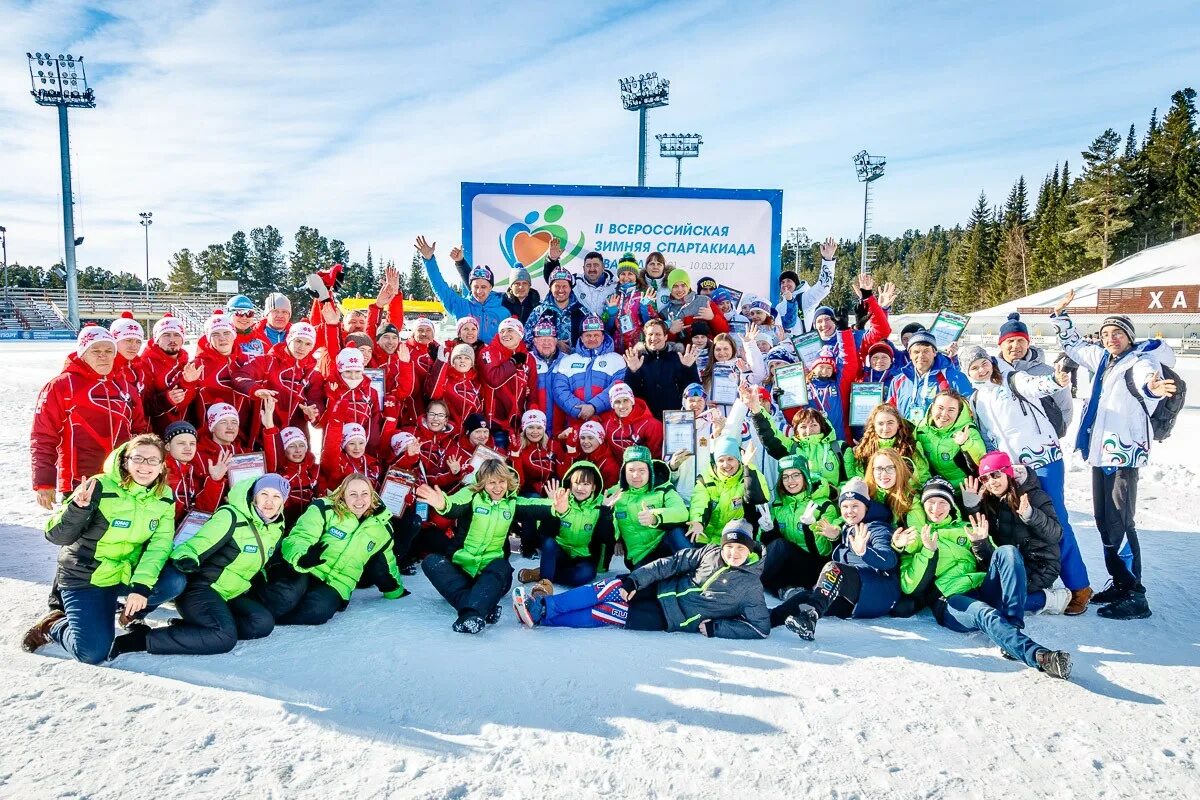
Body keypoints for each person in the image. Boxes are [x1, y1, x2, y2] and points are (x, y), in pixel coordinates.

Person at [1052, 292, 1178, 619]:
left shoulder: (1139, 360)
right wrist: (1061, 317)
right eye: (1106, 334)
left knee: (1121, 521)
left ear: (1129, 337)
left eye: (1117, 333)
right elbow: (1076, 347)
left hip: (1123, 455)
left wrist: (1153, 387)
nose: (1111, 338)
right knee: (1104, 522)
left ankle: (1136, 594)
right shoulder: (1106, 360)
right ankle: (1120, 582)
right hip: (1101, 453)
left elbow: (1146, 379)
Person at [21, 435, 187, 664]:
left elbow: (160, 546)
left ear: (161, 466)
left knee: (174, 580)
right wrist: (78, 509)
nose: (144, 466)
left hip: (124, 572)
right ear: (125, 461)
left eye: (152, 460)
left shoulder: (164, 496)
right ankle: (53, 625)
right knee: (92, 653)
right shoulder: (98, 486)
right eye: (138, 458)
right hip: (86, 575)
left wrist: (140, 588)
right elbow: (56, 535)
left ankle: (132, 613)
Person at [893, 478, 1072, 679]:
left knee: (1008, 552)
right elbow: (910, 586)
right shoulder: (917, 537)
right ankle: (1039, 656)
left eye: (943, 502)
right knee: (986, 613)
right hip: (951, 599)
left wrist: (981, 544)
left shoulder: (965, 527)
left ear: (951, 504)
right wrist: (928, 550)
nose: (936, 508)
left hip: (981, 586)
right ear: (923, 505)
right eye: (931, 503)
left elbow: (997, 562)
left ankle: (1012, 626)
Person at [961, 344, 1092, 614]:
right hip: (1014, 470)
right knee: (1026, 520)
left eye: (984, 363)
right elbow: (988, 439)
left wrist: (1055, 380)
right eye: (974, 367)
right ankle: (1040, 576)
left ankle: (1079, 586)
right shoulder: (976, 399)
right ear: (967, 372)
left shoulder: (1011, 380)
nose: (981, 369)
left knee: (1056, 518)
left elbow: (1035, 385)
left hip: (1044, 460)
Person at [116, 475, 290, 656]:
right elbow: (196, 544)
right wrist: (187, 557)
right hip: (201, 589)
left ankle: (193, 628)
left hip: (229, 593)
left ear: (283, 501)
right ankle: (141, 640)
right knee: (223, 637)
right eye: (264, 494)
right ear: (254, 495)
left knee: (262, 623)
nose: (269, 501)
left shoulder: (275, 527)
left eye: (277, 496)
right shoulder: (231, 517)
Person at [513, 519, 769, 640]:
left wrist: (718, 628)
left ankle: (541, 614)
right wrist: (636, 580)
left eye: (740, 549)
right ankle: (544, 608)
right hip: (660, 588)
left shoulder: (751, 586)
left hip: (670, 618)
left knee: (608, 612)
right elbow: (672, 562)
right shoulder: (711, 551)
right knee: (611, 586)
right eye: (730, 547)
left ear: (750, 550)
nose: (733, 553)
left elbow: (760, 627)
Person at [416, 460, 554, 634]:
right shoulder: (472, 495)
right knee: (431, 562)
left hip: (492, 576)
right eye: (492, 482)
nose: (498, 487)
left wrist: (555, 506)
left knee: (502, 565)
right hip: (463, 570)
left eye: (502, 482)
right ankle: (483, 606)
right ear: (483, 483)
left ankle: (471, 614)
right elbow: (455, 505)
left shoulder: (511, 502)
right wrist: (443, 503)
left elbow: (534, 506)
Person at [31, 326, 148, 508]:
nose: (103, 356)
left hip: (122, 479)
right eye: (96, 351)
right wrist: (44, 482)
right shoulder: (62, 386)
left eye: (109, 351)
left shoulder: (125, 386)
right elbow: (43, 436)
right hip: (80, 480)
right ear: (83, 353)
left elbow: (140, 431)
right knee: (82, 535)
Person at [771, 477, 900, 639]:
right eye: (845, 506)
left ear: (866, 506)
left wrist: (864, 552)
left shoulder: (878, 528)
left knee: (833, 568)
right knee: (805, 597)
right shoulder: (849, 528)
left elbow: (889, 561)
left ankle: (810, 617)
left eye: (855, 505)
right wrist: (830, 535)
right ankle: (768, 619)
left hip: (878, 592)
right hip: (857, 600)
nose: (849, 511)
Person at [272, 474, 407, 625]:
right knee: (286, 597)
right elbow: (301, 536)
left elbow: (387, 562)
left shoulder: (382, 528)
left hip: (338, 583)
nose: (359, 500)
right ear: (343, 494)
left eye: (364, 494)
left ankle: (277, 621)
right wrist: (301, 557)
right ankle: (264, 613)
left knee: (317, 611)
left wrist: (395, 590)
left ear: (372, 495)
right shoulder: (324, 509)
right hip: (308, 569)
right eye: (353, 494)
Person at [961, 452, 1070, 615]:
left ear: (1008, 472)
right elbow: (980, 529)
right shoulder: (990, 500)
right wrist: (972, 506)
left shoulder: (1034, 496)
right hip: (1011, 562)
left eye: (995, 475)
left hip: (1039, 567)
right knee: (983, 597)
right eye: (985, 478)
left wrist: (1031, 515)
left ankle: (1048, 599)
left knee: (999, 604)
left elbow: (1056, 534)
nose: (992, 482)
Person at [517, 464, 616, 589]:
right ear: (570, 484)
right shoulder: (562, 499)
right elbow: (544, 533)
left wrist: (606, 512)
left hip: (583, 556)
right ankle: (544, 585)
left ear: (594, 487)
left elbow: (606, 537)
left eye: (586, 484)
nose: (580, 488)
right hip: (559, 552)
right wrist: (553, 509)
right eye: (576, 483)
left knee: (584, 575)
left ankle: (540, 573)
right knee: (548, 543)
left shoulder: (601, 504)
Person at [232, 320, 324, 446]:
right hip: (263, 435)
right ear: (289, 339)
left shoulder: (314, 374)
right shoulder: (267, 362)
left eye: (308, 344)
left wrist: (313, 411)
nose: (302, 348)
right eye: (298, 341)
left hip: (296, 442)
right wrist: (255, 389)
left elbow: (316, 400)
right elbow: (239, 376)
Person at [758, 455, 840, 597]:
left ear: (805, 476)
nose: (790, 481)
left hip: (814, 565)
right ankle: (786, 590)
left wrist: (809, 528)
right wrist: (768, 531)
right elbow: (767, 549)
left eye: (796, 475)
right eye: (785, 477)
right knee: (774, 547)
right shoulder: (779, 506)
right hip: (790, 565)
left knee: (780, 546)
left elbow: (823, 551)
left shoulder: (823, 505)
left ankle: (747, 583)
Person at [606, 446, 691, 568]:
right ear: (623, 471)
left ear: (649, 470)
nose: (636, 475)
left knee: (676, 533)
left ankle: (695, 566)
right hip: (641, 556)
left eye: (642, 470)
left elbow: (681, 512)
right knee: (654, 583)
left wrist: (654, 517)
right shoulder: (614, 494)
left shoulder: (662, 487)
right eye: (631, 470)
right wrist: (606, 513)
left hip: (665, 545)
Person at [416, 236, 509, 342]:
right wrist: (429, 260)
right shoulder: (460, 305)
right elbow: (440, 287)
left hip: (495, 357)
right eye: (475, 287)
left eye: (483, 287)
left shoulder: (504, 303)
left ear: (491, 287)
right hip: (466, 355)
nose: (479, 291)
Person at [995, 313, 1073, 438]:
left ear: (1028, 343)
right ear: (1000, 344)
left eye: (1021, 340)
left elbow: (1065, 408)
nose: (1016, 346)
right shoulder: (992, 372)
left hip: (1041, 443)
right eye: (1010, 341)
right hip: (1005, 442)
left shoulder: (1048, 373)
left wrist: (1052, 435)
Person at [687, 436, 771, 545]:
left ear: (738, 459)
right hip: (706, 539)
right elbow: (699, 503)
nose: (726, 465)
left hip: (737, 541)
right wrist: (698, 522)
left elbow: (760, 498)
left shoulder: (748, 474)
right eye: (721, 460)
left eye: (730, 459)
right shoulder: (705, 479)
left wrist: (748, 467)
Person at [187, 310, 251, 440]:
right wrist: (187, 383)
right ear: (209, 338)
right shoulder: (197, 365)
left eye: (227, 333)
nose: (222, 338)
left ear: (234, 335)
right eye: (215, 334)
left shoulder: (247, 361)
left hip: (244, 436)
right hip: (209, 439)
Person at [552, 315, 627, 426]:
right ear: (581, 338)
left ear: (603, 337)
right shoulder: (568, 360)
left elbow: (617, 388)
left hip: (607, 423)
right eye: (588, 335)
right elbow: (559, 390)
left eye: (596, 335)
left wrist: (594, 407)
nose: (592, 339)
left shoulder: (617, 360)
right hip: (575, 422)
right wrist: (580, 411)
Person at [888, 330, 972, 424]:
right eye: (916, 352)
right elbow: (890, 412)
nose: (921, 356)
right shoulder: (897, 381)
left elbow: (967, 411)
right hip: (907, 436)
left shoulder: (954, 378)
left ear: (934, 352)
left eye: (926, 351)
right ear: (910, 355)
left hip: (940, 437)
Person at [622, 319, 701, 419]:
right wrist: (633, 372)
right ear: (645, 337)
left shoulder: (680, 357)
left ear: (666, 337)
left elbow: (693, 390)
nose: (654, 338)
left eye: (658, 334)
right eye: (650, 334)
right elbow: (629, 394)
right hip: (647, 419)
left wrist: (688, 368)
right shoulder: (637, 359)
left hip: (675, 417)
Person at [478, 317, 539, 446]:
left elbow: (532, 392)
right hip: (494, 425)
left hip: (518, 426)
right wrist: (513, 362)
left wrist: (531, 421)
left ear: (520, 334)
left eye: (510, 330)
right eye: (502, 331)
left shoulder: (529, 358)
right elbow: (493, 379)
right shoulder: (488, 352)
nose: (505, 334)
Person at [260, 397, 319, 525]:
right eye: (292, 446)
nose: (298, 450)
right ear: (284, 450)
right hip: (283, 526)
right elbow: (273, 453)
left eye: (301, 445)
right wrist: (270, 427)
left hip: (308, 526)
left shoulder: (313, 470)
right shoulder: (278, 472)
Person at [141, 313, 199, 436]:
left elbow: (190, 402)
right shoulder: (146, 364)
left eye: (177, 335)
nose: (172, 339)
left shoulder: (186, 363)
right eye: (166, 335)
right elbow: (142, 407)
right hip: (156, 434)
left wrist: (190, 384)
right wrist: (166, 400)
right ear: (157, 339)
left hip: (184, 433)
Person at [845, 404, 929, 488]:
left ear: (898, 424)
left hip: (903, 495)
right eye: (880, 423)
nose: (885, 428)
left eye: (890, 423)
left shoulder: (911, 445)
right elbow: (860, 477)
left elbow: (922, 476)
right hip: (873, 496)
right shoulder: (865, 447)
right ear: (874, 425)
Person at [915, 390, 987, 488]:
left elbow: (982, 461)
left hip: (965, 490)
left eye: (951, 410)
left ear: (958, 412)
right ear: (932, 408)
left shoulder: (966, 430)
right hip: (937, 490)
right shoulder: (921, 429)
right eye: (940, 408)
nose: (944, 414)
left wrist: (967, 443)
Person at [163, 420, 227, 523]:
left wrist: (214, 481)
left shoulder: (192, 473)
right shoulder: (161, 472)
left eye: (192, 443)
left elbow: (202, 510)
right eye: (181, 443)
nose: (188, 448)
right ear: (167, 446)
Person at [776, 237, 837, 335]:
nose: (785, 284)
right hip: (782, 346)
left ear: (796, 283)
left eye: (788, 281)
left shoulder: (803, 298)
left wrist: (828, 260)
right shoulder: (779, 306)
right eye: (782, 282)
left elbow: (823, 287)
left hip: (802, 347)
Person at [655, 267, 729, 343]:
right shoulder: (665, 312)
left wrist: (713, 318)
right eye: (675, 286)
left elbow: (725, 331)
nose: (680, 290)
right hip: (682, 354)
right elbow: (662, 344)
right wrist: (671, 332)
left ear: (688, 285)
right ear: (670, 287)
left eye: (683, 285)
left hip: (707, 352)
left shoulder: (704, 301)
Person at [526, 266, 589, 353]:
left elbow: (592, 338)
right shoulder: (539, 312)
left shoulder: (583, 312)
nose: (561, 290)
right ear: (550, 288)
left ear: (570, 288)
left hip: (575, 362)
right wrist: (553, 343)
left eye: (564, 286)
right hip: (546, 362)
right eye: (557, 286)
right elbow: (526, 339)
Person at [604, 254, 658, 354]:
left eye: (630, 274)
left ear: (636, 276)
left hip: (639, 344)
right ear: (618, 276)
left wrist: (644, 307)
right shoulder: (613, 297)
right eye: (623, 274)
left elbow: (653, 326)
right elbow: (606, 329)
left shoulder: (645, 295)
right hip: (617, 346)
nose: (626, 277)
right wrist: (611, 314)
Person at [602, 381, 664, 460]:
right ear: (612, 405)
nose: (622, 406)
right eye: (617, 402)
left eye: (625, 400)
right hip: (619, 470)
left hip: (644, 469)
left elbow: (657, 457)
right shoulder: (607, 425)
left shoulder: (652, 425)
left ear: (632, 401)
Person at [225, 294, 270, 359]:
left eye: (249, 313)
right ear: (229, 314)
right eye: (239, 313)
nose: (244, 317)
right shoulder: (221, 339)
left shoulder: (261, 340)